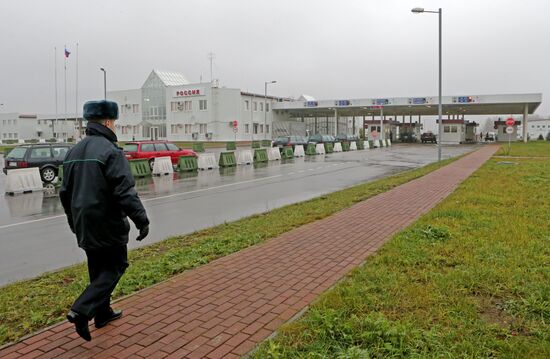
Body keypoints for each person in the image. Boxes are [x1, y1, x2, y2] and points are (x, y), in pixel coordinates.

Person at [60, 100, 150, 341]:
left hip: (83, 222)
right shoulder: (111, 151)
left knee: (96, 268)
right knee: (116, 266)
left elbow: (64, 193)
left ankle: (103, 313)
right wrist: (142, 220)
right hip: (107, 222)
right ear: (109, 122)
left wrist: (73, 221)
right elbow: (125, 192)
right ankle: (81, 310)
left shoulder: (73, 152)